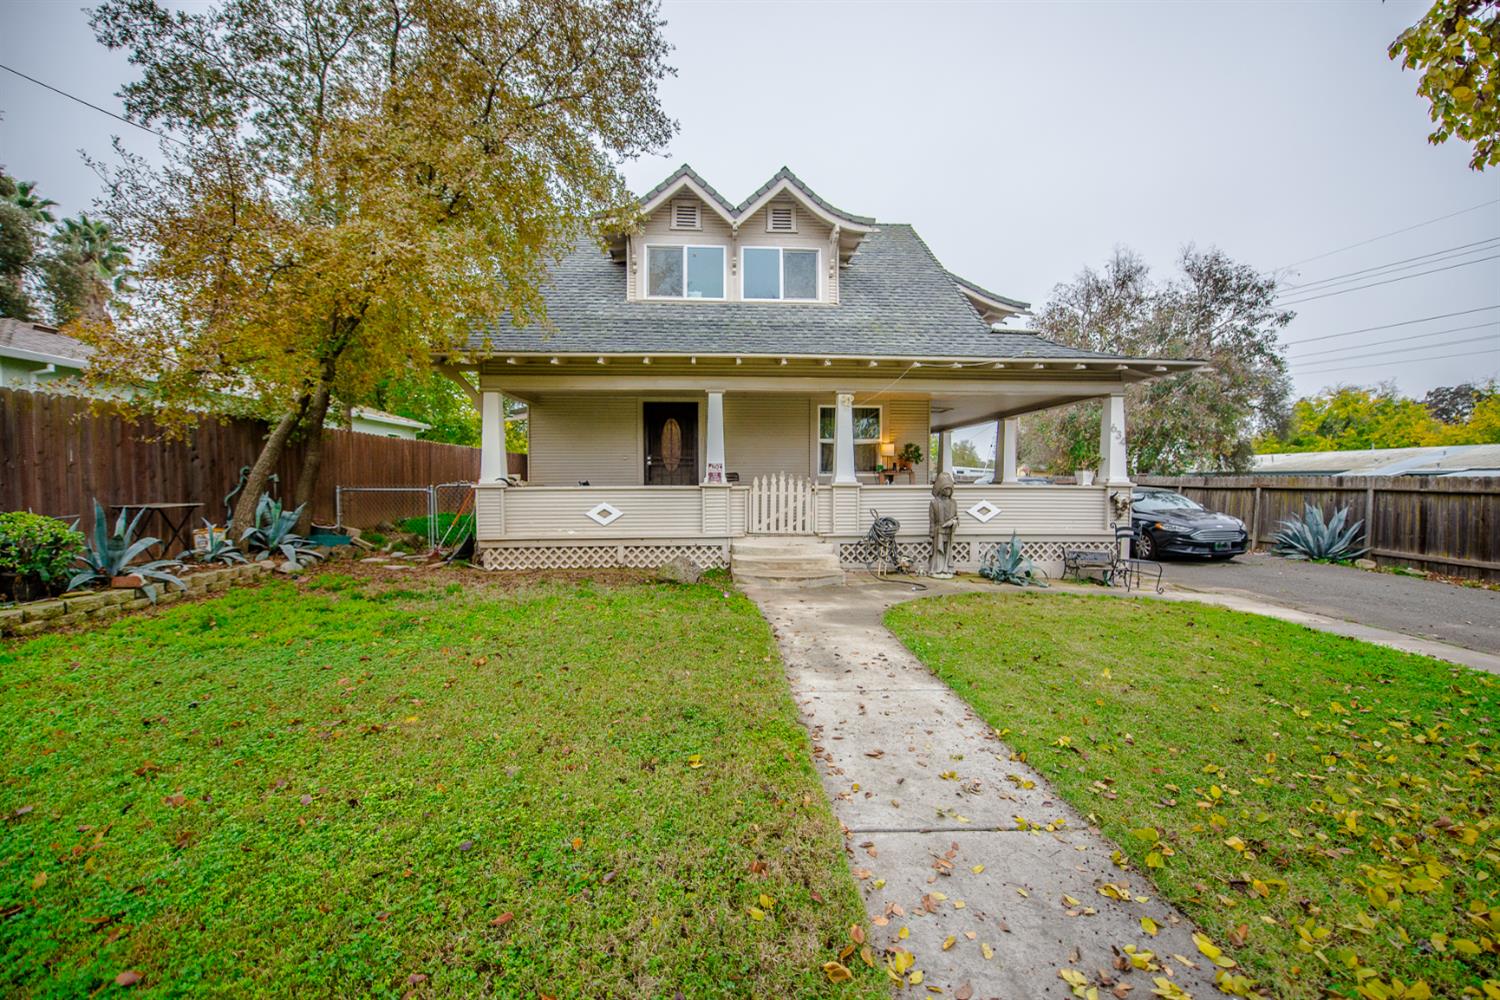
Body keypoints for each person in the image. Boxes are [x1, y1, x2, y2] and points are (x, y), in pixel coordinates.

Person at [928, 472, 958, 578]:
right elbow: (931, 519)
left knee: (947, 551)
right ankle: (936, 569)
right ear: (941, 489)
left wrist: (953, 522)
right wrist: (931, 532)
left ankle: (946, 568)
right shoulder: (934, 503)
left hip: (949, 531)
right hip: (938, 531)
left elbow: (956, 517)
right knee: (937, 551)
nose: (948, 491)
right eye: (946, 489)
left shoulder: (953, 503)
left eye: (950, 489)